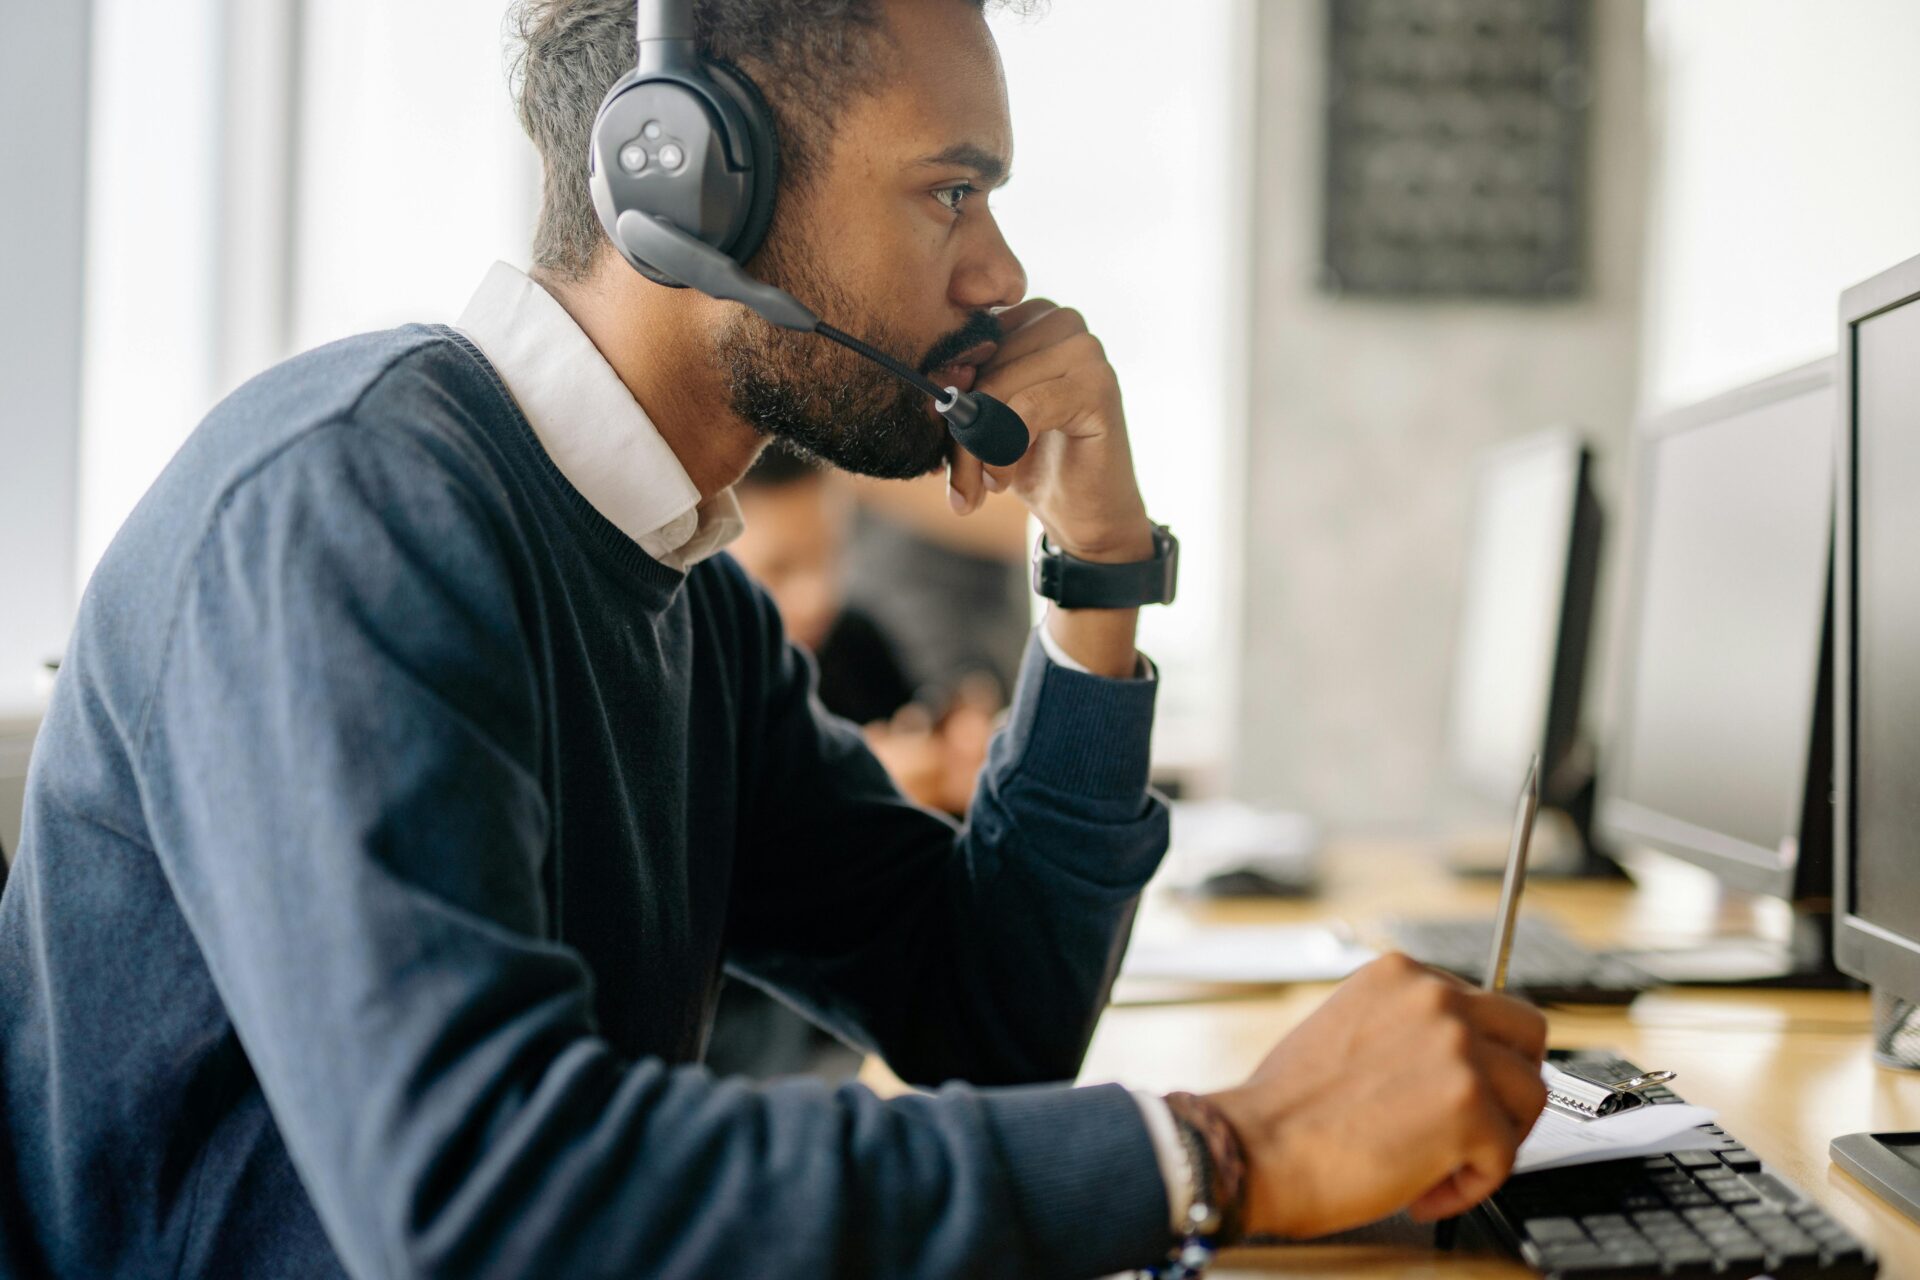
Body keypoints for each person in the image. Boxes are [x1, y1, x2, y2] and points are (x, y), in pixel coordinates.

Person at [0, 2, 1549, 1277]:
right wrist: (1227, 1150)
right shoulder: (347, 507)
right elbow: (483, 1202)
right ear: (690, 185)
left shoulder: (685, 600)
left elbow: (989, 1018)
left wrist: (1095, 572)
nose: (1001, 272)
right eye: (952, 189)